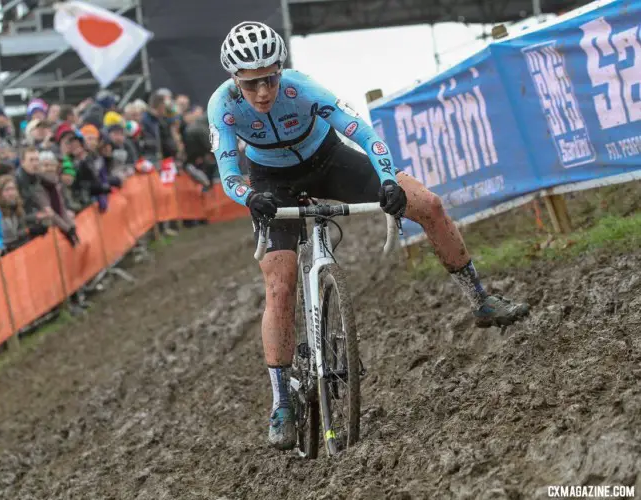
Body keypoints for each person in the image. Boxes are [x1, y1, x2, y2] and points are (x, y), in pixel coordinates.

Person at [208, 21, 531, 451]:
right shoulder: (223, 107)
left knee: (429, 204)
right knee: (280, 284)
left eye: (270, 78)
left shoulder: (302, 89)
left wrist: (387, 182)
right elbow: (229, 173)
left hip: (330, 160)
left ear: (281, 71)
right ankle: (281, 401)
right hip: (270, 181)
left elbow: (362, 130)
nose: (263, 92)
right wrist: (250, 197)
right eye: (251, 84)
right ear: (235, 81)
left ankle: (481, 300)